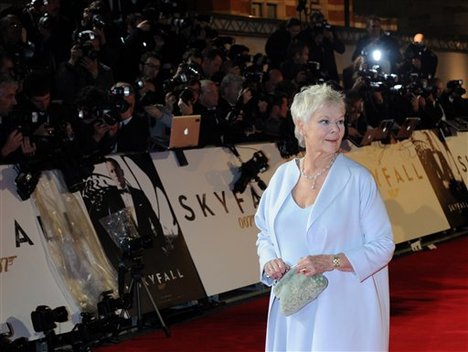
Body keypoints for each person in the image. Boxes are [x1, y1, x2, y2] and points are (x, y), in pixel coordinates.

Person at [255, 84, 395, 351]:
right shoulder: (282, 177)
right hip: (293, 306)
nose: (336, 129)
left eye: (340, 121)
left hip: (343, 307)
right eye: (325, 121)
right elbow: (264, 232)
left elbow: (383, 245)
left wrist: (331, 261)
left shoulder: (358, 179)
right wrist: (269, 260)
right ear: (301, 125)